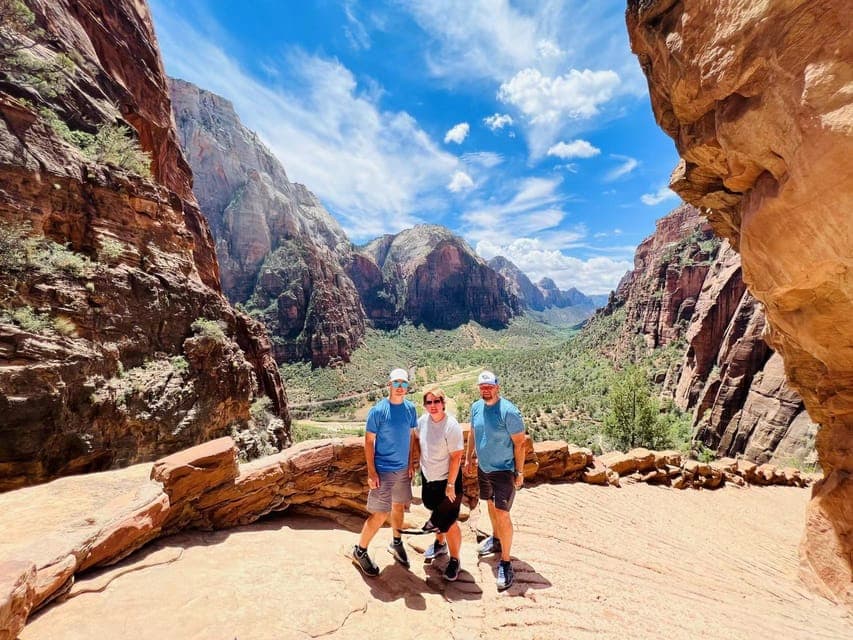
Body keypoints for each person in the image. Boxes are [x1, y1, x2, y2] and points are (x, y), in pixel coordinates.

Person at [351, 367, 418, 576]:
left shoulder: (410, 409)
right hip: (384, 470)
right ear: (389, 385)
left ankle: (396, 542)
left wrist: (410, 463)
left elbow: (411, 437)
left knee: (399, 507)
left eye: (404, 384)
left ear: (407, 387)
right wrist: (372, 472)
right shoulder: (378, 411)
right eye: (396, 383)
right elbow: (369, 442)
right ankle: (360, 551)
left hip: (402, 469)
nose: (400, 387)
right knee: (380, 514)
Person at [464, 370, 526, 591]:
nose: (486, 389)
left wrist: (518, 472)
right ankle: (496, 539)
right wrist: (469, 456)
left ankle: (506, 562)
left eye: (489, 386)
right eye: (482, 386)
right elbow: (473, 432)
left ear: (497, 386)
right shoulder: (476, 408)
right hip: (484, 468)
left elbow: (520, 443)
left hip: (503, 471)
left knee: (502, 512)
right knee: (489, 504)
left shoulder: (508, 411)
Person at [413, 387, 464, 581]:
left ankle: (455, 560)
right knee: (435, 511)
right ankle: (440, 544)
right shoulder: (422, 421)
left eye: (436, 402)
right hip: (429, 478)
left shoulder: (451, 426)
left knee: (449, 521)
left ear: (443, 403)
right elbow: (415, 437)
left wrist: (450, 484)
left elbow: (456, 456)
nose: (433, 406)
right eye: (429, 402)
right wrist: (417, 460)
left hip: (447, 480)